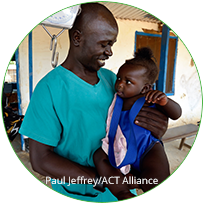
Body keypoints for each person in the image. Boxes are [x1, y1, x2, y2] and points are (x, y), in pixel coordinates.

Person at [19, 3, 168, 202]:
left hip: (120, 191)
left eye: (112, 45)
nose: (109, 52)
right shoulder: (49, 88)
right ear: (78, 38)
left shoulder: (111, 80)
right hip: (79, 193)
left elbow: (133, 120)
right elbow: (41, 161)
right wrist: (101, 179)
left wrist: (154, 126)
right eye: (104, 44)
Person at [93, 47, 182, 200]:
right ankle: (123, 193)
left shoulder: (150, 99)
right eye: (119, 78)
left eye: (128, 82)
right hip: (118, 148)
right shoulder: (115, 99)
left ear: (145, 88)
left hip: (147, 148)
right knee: (99, 157)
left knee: (157, 177)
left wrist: (165, 102)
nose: (120, 84)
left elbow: (177, 114)